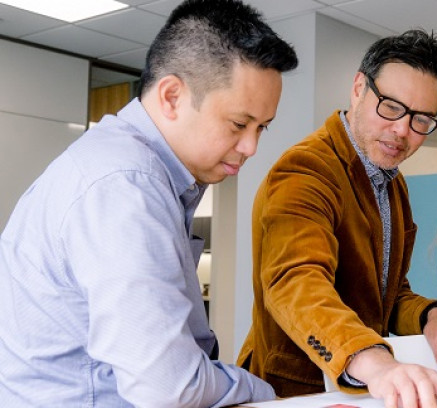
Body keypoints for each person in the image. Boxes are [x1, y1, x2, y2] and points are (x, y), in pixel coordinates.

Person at [0, 1, 298, 406]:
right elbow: (168, 388)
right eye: (238, 124)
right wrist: (260, 390)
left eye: (262, 127)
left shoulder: (129, 168)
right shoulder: (125, 186)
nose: (251, 146)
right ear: (172, 96)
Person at [237, 29, 437, 407]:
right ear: (359, 88)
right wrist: (374, 361)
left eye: (422, 119)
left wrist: (430, 316)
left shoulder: (392, 183)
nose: (402, 131)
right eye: (392, 107)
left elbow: (386, 295)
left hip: (359, 390)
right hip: (294, 389)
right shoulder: (305, 170)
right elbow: (296, 282)